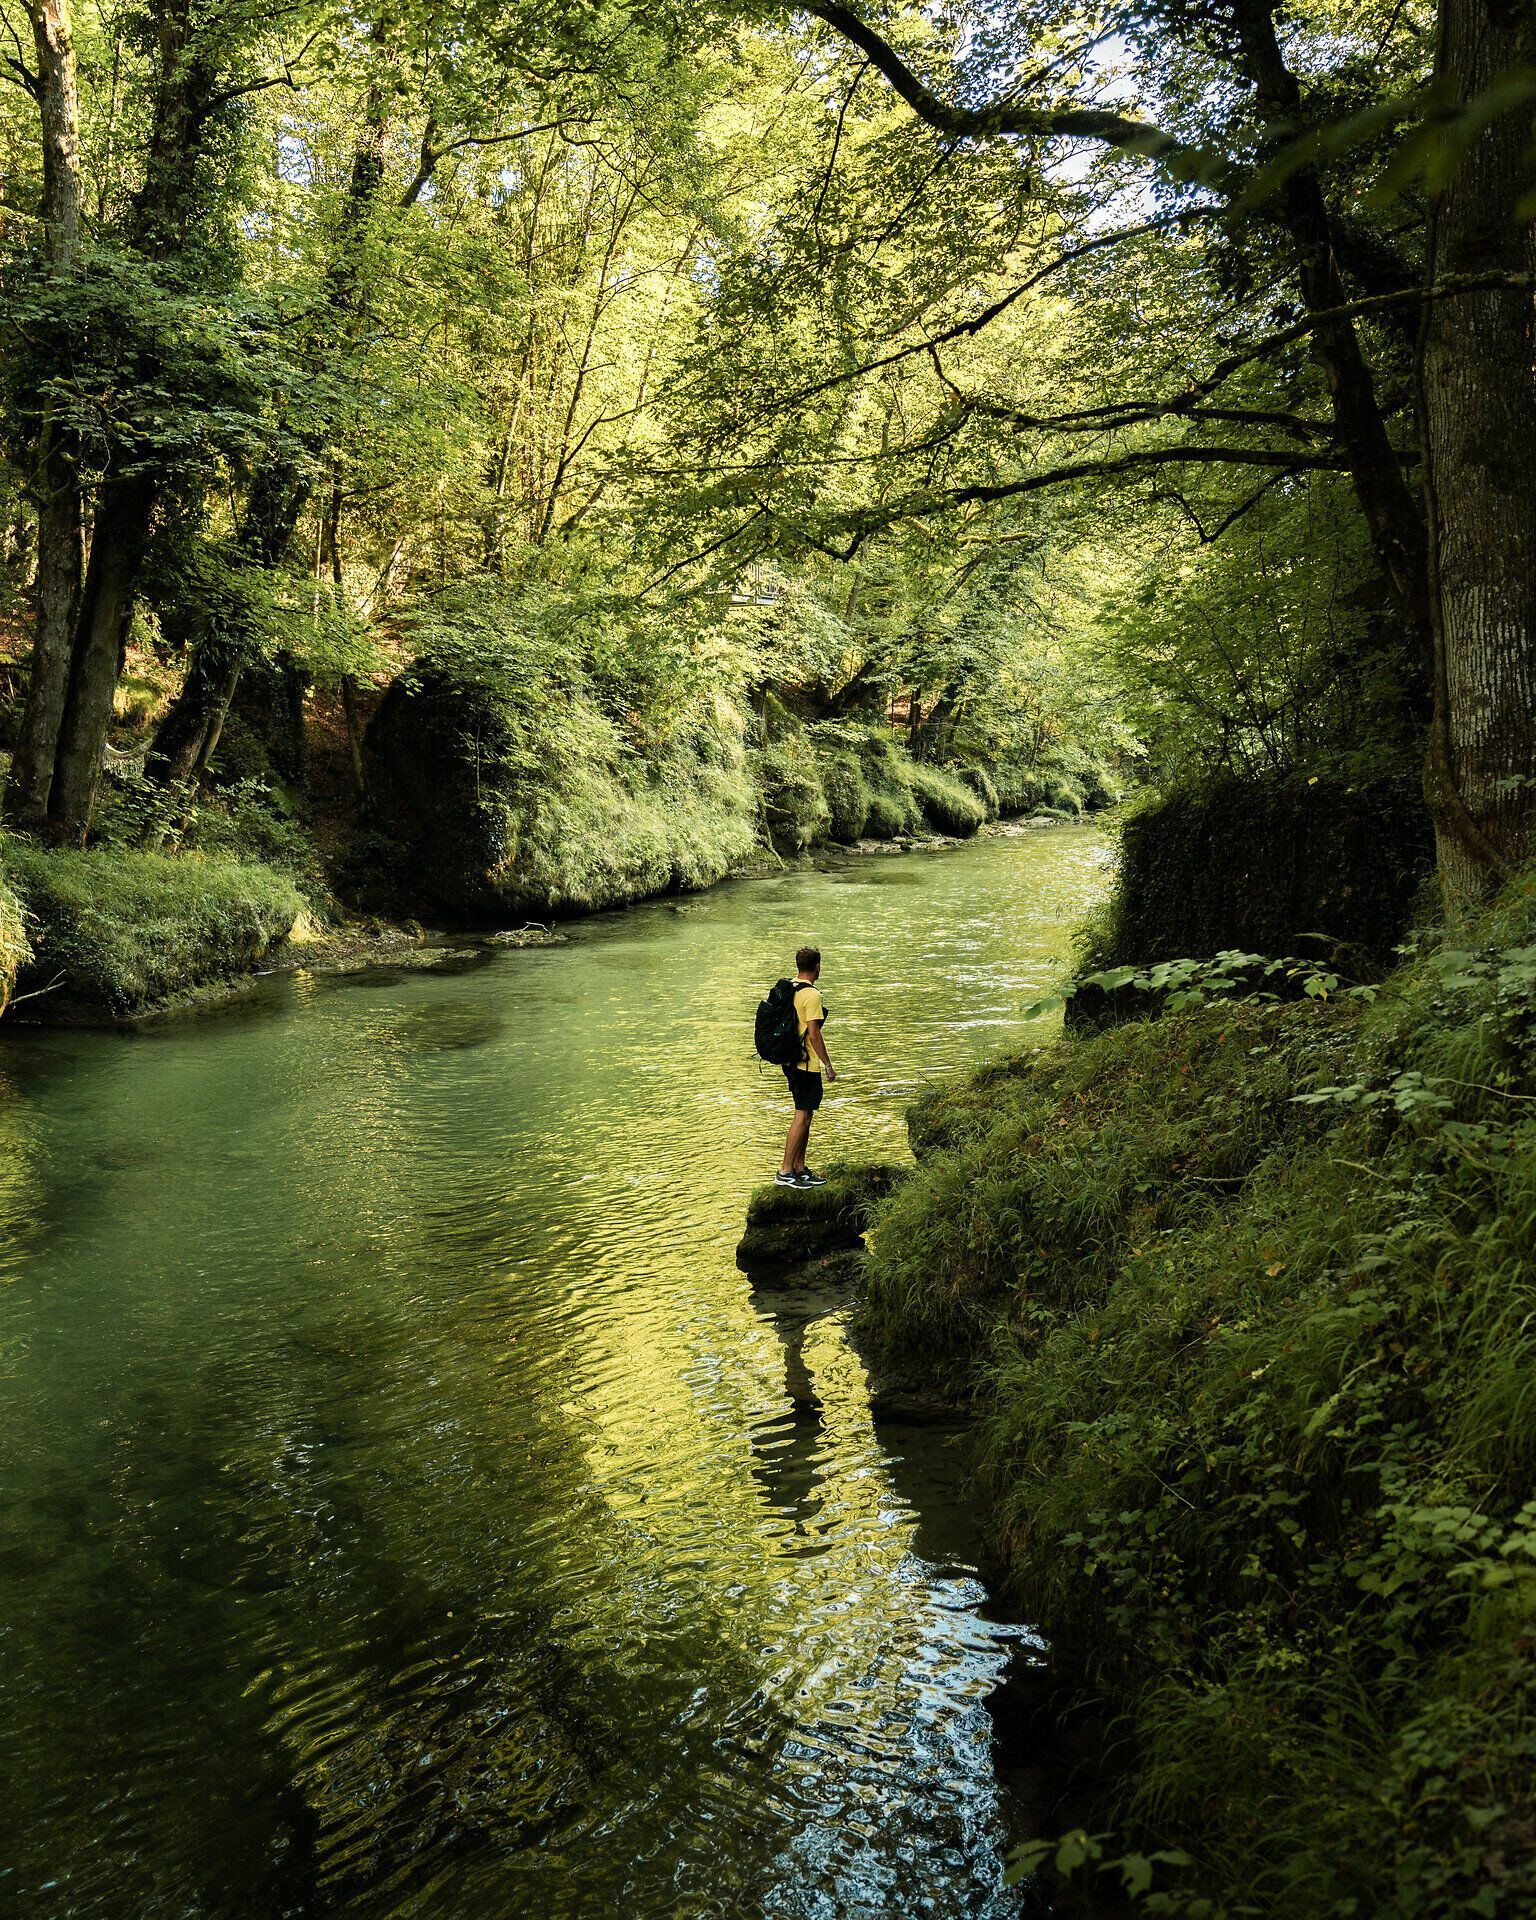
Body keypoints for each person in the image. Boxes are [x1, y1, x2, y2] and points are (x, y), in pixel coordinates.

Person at [777, 945, 836, 1188]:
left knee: (807, 1114)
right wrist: (828, 1064)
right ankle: (785, 1171)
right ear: (818, 966)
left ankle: (800, 1168)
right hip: (805, 1063)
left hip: (791, 1060)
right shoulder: (812, 995)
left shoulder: (790, 987)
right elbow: (814, 1034)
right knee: (801, 1116)